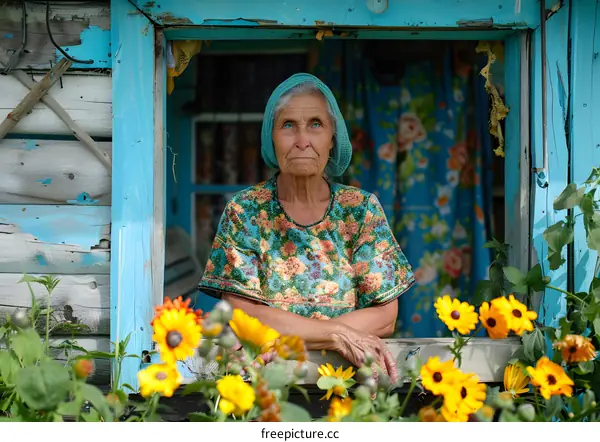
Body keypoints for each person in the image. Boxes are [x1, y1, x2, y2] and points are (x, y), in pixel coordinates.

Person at [198, 73, 415, 382]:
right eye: (288, 125)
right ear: (271, 139)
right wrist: (336, 335)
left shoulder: (360, 209)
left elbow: (384, 315)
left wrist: (287, 334)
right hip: (270, 383)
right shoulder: (245, 210)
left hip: (349, 382)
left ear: (332, 140)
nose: (302, 140)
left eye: (315, 124)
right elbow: (243, 312)